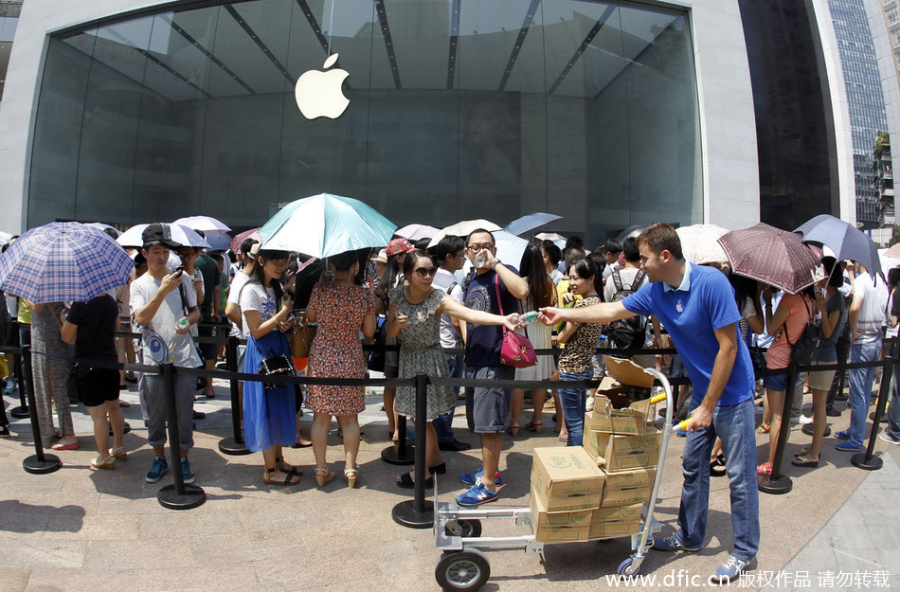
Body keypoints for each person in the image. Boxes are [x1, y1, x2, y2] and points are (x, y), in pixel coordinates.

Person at [540, 223, 759, 585]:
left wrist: (708, 406)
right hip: (704, 393)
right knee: (693, 466)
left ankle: (744, 551)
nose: (638, 264)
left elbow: (729, 347)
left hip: (731, 394)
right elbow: (611, 311)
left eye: (643, 258)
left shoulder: (712, 284)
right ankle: (690, 536)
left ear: (665, 256)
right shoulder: (656, 291)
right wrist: (565, 314)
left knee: (739, 476)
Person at [387, 249, 517, 488]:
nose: (428, 276)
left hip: (429, 361)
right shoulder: (397, 295)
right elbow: (390, 331)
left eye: (431, 271)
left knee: (423, 420)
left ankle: (423, 473)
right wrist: (397, 324)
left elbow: (468, 314)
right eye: (421, 271)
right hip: (408, 359)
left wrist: (502, 319)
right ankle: (435, 459)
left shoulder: (437, 297)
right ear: (408, 273)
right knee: (420, 419)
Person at [457, 228, 529, 507]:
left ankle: (487, 484)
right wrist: (469, 342)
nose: (481, 251)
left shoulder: (503, 271)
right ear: (467, 252)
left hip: (496, 359)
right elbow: (465, 314)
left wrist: (495, 263)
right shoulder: (470, 278)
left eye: (486, 246)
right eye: (475, 247)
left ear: (495, 249)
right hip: (475, 357)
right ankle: (491, 471)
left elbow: (522, 290)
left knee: (490, 425)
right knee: (479, 422)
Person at [131, 223, 202, 485]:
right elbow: (141, 318)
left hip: (183, 356)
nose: (162, 257)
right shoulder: (139, 286)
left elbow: (195, 311)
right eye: (156, 251)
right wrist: (162, 290)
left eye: (165, 251)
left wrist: (187, 322)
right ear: (145, 253)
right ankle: (159, 457)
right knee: (156, 414)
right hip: (154, 358)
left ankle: (182, 459)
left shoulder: (182, 279)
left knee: (184, 413)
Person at [305, 251, 376, 488]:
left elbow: (310, 316)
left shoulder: (320, 290)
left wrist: (321, 285)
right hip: (350, 357)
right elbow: (369, 331)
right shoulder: (364, 294)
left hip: (322, 356)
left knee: (321, 417)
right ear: (356, 266)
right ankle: (351, 469)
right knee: (350, 418)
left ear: (331, 266)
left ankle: (320, 469)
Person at [240, 249, 301, 486]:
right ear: (261, 260)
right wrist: (282, 314)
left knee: (278, 407)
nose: (280, 266)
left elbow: (274, 323)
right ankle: (270, 469)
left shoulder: (276, 288)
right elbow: (255, 330)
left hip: (278, 348)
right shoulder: (250, 290)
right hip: (262, 353)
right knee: (265, 409)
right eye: (276, 262)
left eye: (283, 262)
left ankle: (278, 459)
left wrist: (284, 324)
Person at [791, 258, 847, 467]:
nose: (818, 276)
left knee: (819, 407)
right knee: (817, 406)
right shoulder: (828, 296)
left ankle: (814, 452)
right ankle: (814, 447)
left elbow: (829, 332)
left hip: (826, 356)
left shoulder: (837, 300)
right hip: (820, 355)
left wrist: (822, 309)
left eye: (821, 272)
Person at [60, 292, 126, 469]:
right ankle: (119, 446)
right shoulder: (109, 301)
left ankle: (104, 456)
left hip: (88, 365)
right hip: (110, 362)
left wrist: (63, 320)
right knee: (114, 407)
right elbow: (116, 326)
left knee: (98, 415)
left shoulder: (80, 305)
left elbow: (66, 336)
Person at [755, 282, 813, 475]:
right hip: (794, 361)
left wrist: (768, 304)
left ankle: (772, 462)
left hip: (778, 361)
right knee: (784, 415)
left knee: (777, 416)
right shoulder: (809, 300)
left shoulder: (791, 299)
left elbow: (771, 329)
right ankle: (776, 458)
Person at [837, 263, 888, 451]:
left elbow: (854, 307)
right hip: (875, 339)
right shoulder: (881, 283)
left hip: (862, 342)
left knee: (858, 392)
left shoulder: (862, 281)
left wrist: (854, 332)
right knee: (865, 390)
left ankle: (856, 438)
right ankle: (855, 430)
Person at [552, 257, 603, 446]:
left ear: (591, 278)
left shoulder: (582, 306)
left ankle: (575, 456)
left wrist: (568, 310)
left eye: (576, 278)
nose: (571, 283)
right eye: (570, 277)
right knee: (579, 421)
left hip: (571, 368)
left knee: (574, 425)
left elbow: (562, 336)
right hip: (585, 367)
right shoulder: (597, 302)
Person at [509, 245, 556, 436]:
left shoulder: (520, 283)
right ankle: (537, 419)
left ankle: (514, 423)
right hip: (543, 333)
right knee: (541, 379)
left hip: (523, 333)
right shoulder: (549, 283)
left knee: (519, 381)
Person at [430, 236, 472, 453]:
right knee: (449, 396)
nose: (464, 259)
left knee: (434, 395)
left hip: (431, 344)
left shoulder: (430, 278)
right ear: (449, 257)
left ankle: (434, 435)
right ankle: (444, 437)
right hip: (449, 347)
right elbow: (457, 320)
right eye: (461, 255)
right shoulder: (454, 287)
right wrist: (466, 341)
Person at [31, 300, 77, 450]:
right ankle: (55, 429)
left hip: (48, 338)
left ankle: (68, 433)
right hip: (46, 335)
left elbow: (36, 307)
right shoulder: (53, 287)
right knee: (49, 386)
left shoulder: (44, 289)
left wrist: (27, 297)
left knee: (55, 386)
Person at [881, 267, 900, 446]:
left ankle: (895, 431)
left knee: (896, 388)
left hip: (894, 340)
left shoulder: (896, 293)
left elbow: (893, 321)